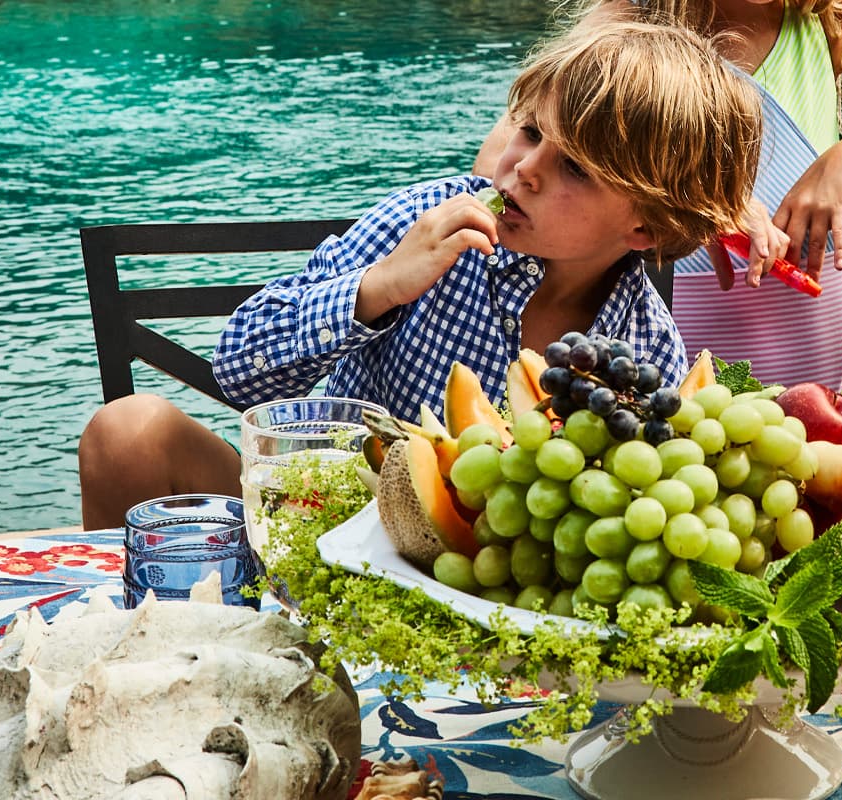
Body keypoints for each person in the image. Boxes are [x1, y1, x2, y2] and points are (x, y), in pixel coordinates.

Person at [75, 21, 762, 529]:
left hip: (471, 581)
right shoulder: (426, 220)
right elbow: (238, 372)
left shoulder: (647, 351)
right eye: (529, 132)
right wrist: (381, 287)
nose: (524, 168)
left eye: (575, 168)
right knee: (128, 432)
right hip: (316, 519)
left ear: (644, 229)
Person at [474, 0, 842, 396]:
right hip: (673, 353)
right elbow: (497, 167)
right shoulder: (630, 23)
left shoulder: (837, 24)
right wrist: (702, 201)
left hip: (822, 345)